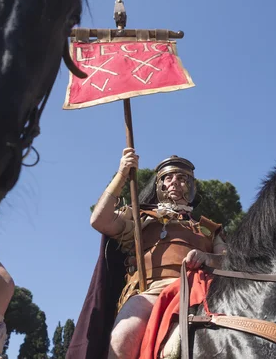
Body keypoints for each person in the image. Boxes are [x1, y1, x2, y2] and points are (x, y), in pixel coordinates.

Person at [89, 148, 227, 359]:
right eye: (168, 178)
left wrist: (208, 257)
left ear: (192, 187)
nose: (174, 182)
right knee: (121, 341)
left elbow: (229, 262)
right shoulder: (141, 219)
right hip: (153, 293)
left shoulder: (208, 228)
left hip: (204, 292)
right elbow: (99, 220)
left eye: (182, 178)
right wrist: (122, 174)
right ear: (159, 185)